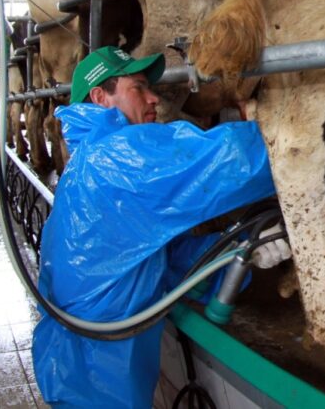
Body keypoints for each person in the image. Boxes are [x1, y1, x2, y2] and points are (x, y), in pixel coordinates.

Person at [32, 46, 290, 407]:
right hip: (97, 376)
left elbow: (159, 260)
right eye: (138, 87)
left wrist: (239, 249)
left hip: (78, 366)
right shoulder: (117, 157)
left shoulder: (88, 159)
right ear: (100, 97)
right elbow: (229, 162)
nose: (154, 97)